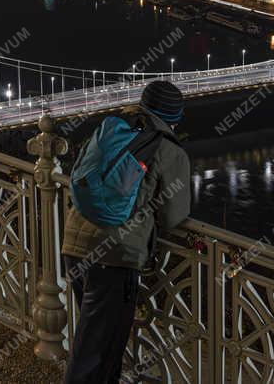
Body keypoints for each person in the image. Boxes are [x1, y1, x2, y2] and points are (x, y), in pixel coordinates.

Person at [61, 80, 191, 383]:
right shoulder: (169, 150)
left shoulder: (112, 127)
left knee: (100, 345)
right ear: (175, 117)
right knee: (95, 352)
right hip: (115, 259)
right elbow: (174, 216)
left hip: (74, 245)